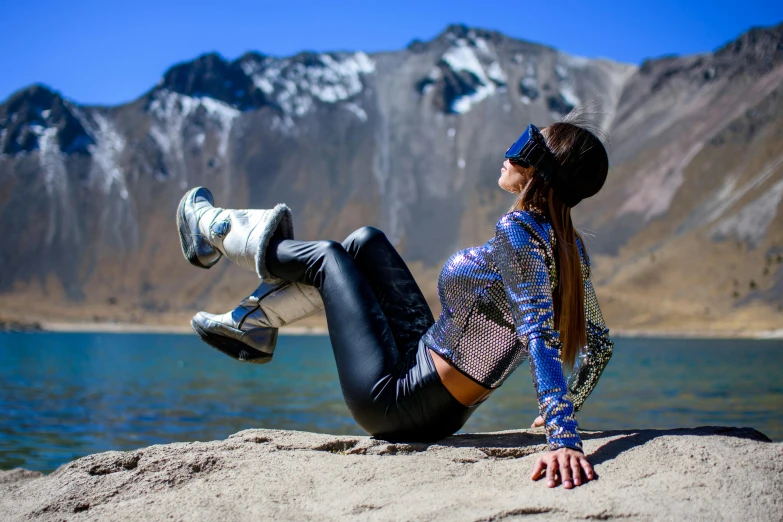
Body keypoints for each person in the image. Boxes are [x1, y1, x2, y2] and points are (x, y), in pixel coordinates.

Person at [176, 109, 614, 490]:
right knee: (365, 242)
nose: (508, 152)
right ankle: (255, 321)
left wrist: (562, 436)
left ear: (538, 169)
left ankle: (214, 229)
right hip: (426, 366)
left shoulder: (518, 233)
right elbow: (600, 345)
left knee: (328, 259)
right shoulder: (570, 247)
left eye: (524, 145)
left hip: (398, 403)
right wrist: (571, 402)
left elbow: (538, 333)